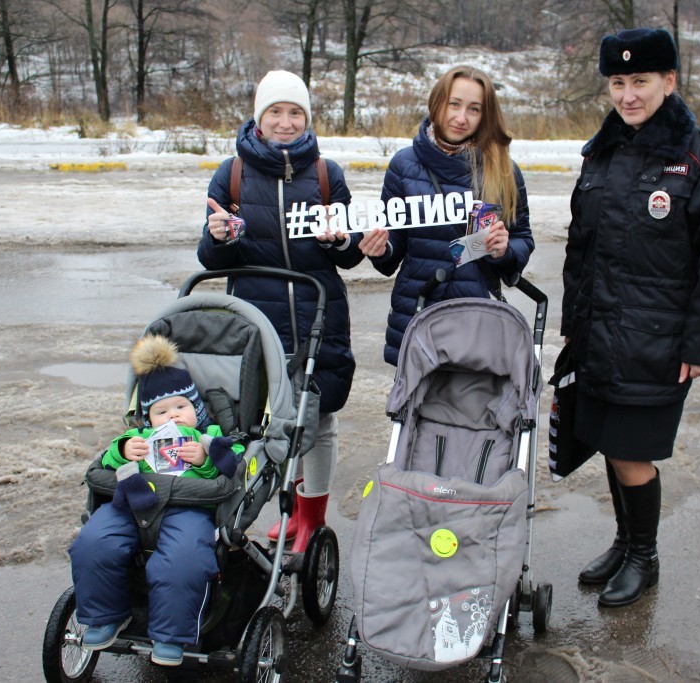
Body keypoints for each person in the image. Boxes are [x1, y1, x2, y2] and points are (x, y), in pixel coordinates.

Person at [561, 28, 700, 608]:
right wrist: (573, 325)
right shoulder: (601, 152)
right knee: (608, 442)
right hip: (600, 334)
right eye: (618, 82)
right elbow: (580, 246)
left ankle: (645, 557)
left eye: (640, 81)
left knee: (630, 450)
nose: (628, 95)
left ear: (669, 80)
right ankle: (625, 543)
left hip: (656, 340)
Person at [198, 70, 363, 550]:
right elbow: (211, 260)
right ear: (259, 117)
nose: (286, 122)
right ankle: (279, 510)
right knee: (263, 422)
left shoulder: (327, 174)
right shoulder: (232, 174)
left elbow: (351, 254)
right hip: (255, 319)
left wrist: (340, 240)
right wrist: (218, 237)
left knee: (319, 417)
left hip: (318, 314)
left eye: (295, 113)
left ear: (307, 118)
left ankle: (311, 517)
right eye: (276, 112)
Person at [69, 334, 244, 666]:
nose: (173, 416)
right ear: (148, 418)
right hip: (133, 504)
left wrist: (205, 459)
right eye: (162, 411)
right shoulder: (138, 437)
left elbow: (233, 463)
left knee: (184, 558)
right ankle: (105, 616)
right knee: (93, 542)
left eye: (181, 407)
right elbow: (107, 461)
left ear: (197, 409)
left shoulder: (208, 436)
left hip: (189, 507)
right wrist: (123, 452)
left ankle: (170, 634)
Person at [357, 65, 534, 365]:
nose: (461, 118)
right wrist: (381, 249)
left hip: (477, 318)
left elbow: (522, 239)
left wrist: (503, 250)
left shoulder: (503, 169)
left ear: (485, 115)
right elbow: (393, 244)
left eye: (474, 109)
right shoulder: (403, 165)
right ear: (437, 103)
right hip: (417, 314)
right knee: (413, 398)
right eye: (454, 104)